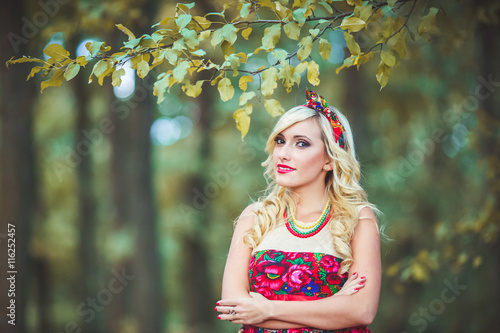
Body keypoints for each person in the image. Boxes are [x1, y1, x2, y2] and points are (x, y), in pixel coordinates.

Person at [215, 90, 382, 333]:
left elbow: (361, 311)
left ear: (330, 160)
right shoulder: (255, 216)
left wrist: (266, 310)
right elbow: (232, 308)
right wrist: (335, 306)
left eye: (301, 143)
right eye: (280, 141)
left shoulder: (358, 218)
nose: (283, 153)